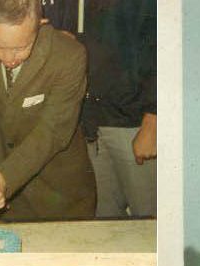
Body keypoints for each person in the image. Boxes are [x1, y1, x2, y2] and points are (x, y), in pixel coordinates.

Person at [0, 0, 95, 221]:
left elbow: (53, 132)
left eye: (20, 48)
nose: (9, 59)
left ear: (40, 23)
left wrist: (5, 177)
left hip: (60, 192)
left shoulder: (69, 55)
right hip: (6, 194)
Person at [78, 0, 154, 218]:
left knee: (150, 219)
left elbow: (167, 45)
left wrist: (154, 120)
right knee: (105, 220)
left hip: (134, 124)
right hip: (90, 124)